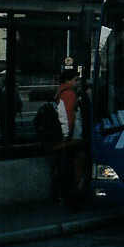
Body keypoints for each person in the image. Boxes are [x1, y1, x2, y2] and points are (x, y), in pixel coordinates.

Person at [54, 68, 88, 206]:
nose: (77, 82)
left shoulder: (60, 91)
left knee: (62, 166)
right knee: (75, 164)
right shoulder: (69, 93)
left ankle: (62, 195)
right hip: (71, 137)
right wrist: (67, 136)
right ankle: (73, 195)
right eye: (75, 79)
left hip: (63, 136)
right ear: (69, 80)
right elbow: (68, 116)